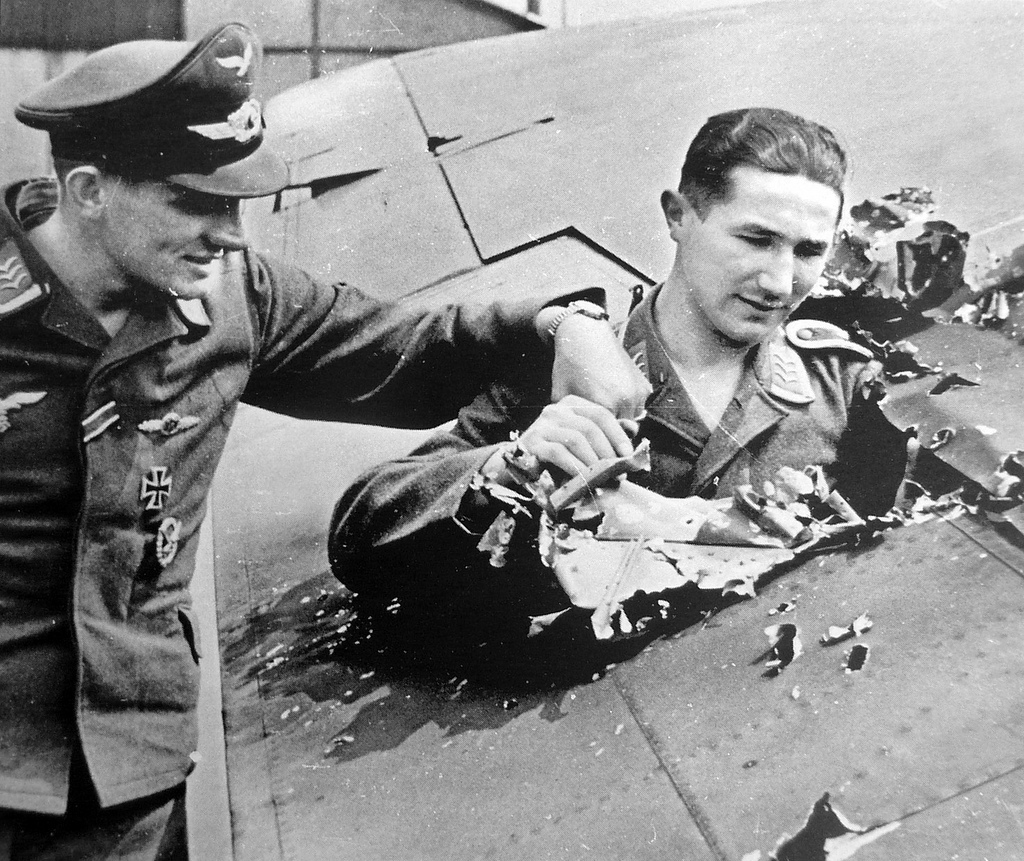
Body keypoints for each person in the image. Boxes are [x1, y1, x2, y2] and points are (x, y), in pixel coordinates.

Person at [0, 23, 650, 860]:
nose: (230, 233)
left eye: (238, 201)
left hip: (126, 786)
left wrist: (568, 324)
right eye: (196, 201)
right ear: (88, 189)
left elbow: (413, 356)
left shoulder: (238, 300)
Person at [328, 107, 910, 649]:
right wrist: (508, 464)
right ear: (678, 216)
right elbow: (360, 528)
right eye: (756, 239)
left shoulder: (841, 381)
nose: (781, 283)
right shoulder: (565, 372)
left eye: (809, 251)